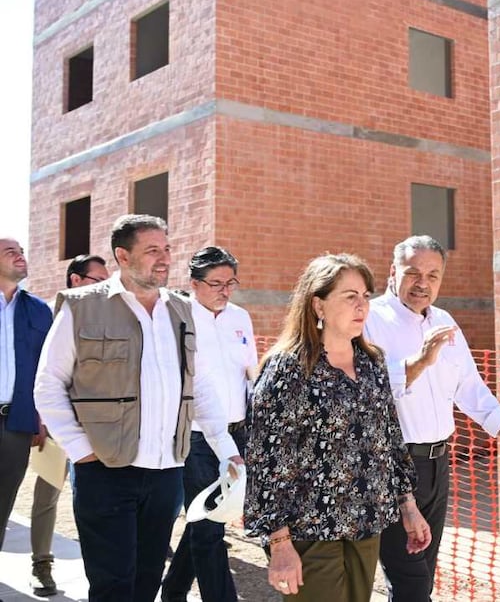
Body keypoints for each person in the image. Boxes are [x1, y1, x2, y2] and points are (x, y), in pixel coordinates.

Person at [33, 215, 243, 602]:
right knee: (114, 585)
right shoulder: (82, 308)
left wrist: (227, 450)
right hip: (105, 471)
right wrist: (83, 452)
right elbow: (48, 386)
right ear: (122, 256)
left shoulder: (181, 310)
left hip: (165, 473)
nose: (164, 259)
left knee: (146, 582)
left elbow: (201, 388)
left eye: (166, 249)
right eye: (152, 251)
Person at [245, 253, 431, 601]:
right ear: (318, 305)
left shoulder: (372, 362)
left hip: (365, 524)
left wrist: (408, 506)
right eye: (350, 297)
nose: (362, 306)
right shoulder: (288, 369)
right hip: (308, 531)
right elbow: (266, 462)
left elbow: (388, 441)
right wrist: (280, 543)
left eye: (365, 296)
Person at [364, 235, 500, 602]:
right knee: (410, 582)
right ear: (393, 272)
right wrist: (419, 362)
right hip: (391, 467)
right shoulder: (369, 320)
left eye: (433, 275)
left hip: (438, 466)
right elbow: (364, 391)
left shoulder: (445, 321)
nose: (422, 283)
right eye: (413, 273)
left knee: (422, 577)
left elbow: (469, 387)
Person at [162, 247, 258, 602]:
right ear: (194, 284)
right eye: (216, 283)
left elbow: (251, 373)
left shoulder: (240, 317)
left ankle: (172, 590)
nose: (225, 290)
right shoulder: (177, 319)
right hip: (197, 436)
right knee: (208, 528)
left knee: (208, 517)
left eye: (230, 282)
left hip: (238, 431)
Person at [29, 253, 110, 596]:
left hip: (95, 428)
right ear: (76, 280)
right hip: (51, 422)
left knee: (95, 503)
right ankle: (41, 563)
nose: (106, 287)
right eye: (98, 280)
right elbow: (41, 376)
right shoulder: (48, 315)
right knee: (47, 494)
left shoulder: (105, 316)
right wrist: (40, 419)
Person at [0, 236, 51, 571]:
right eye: (10, 252)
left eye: (21, 251)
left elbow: (49, 370)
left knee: (2, 505)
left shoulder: (39, 310)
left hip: (16, 423)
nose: (20, 256)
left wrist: (43, 418)